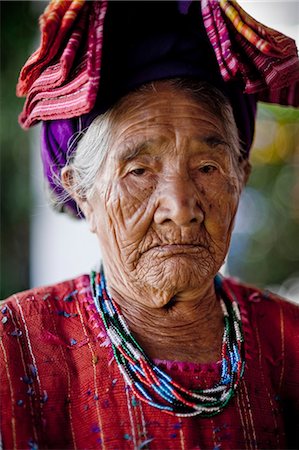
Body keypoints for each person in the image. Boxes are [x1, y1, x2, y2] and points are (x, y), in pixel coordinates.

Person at [1, 1, 299, 449]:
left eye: (207, 167)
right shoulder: (15, 347)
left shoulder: (289, 342)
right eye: (139, 171)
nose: (180, 207)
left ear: (241, 177)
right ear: (83, 191)